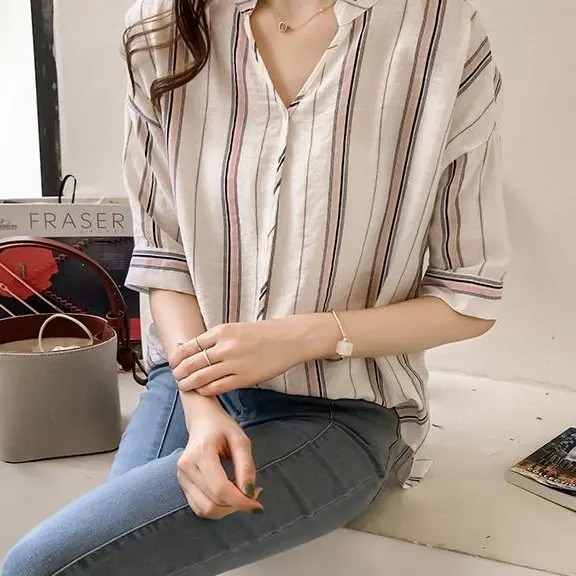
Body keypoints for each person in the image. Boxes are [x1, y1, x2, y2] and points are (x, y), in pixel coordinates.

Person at [2, 0, 509, 573]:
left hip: (343, 408)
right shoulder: (162, 26)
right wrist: (200, 405)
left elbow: (468, 295)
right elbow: (165, 255)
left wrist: (304, 337)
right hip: (193, 379)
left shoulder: (441, 32)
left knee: (44, 567)